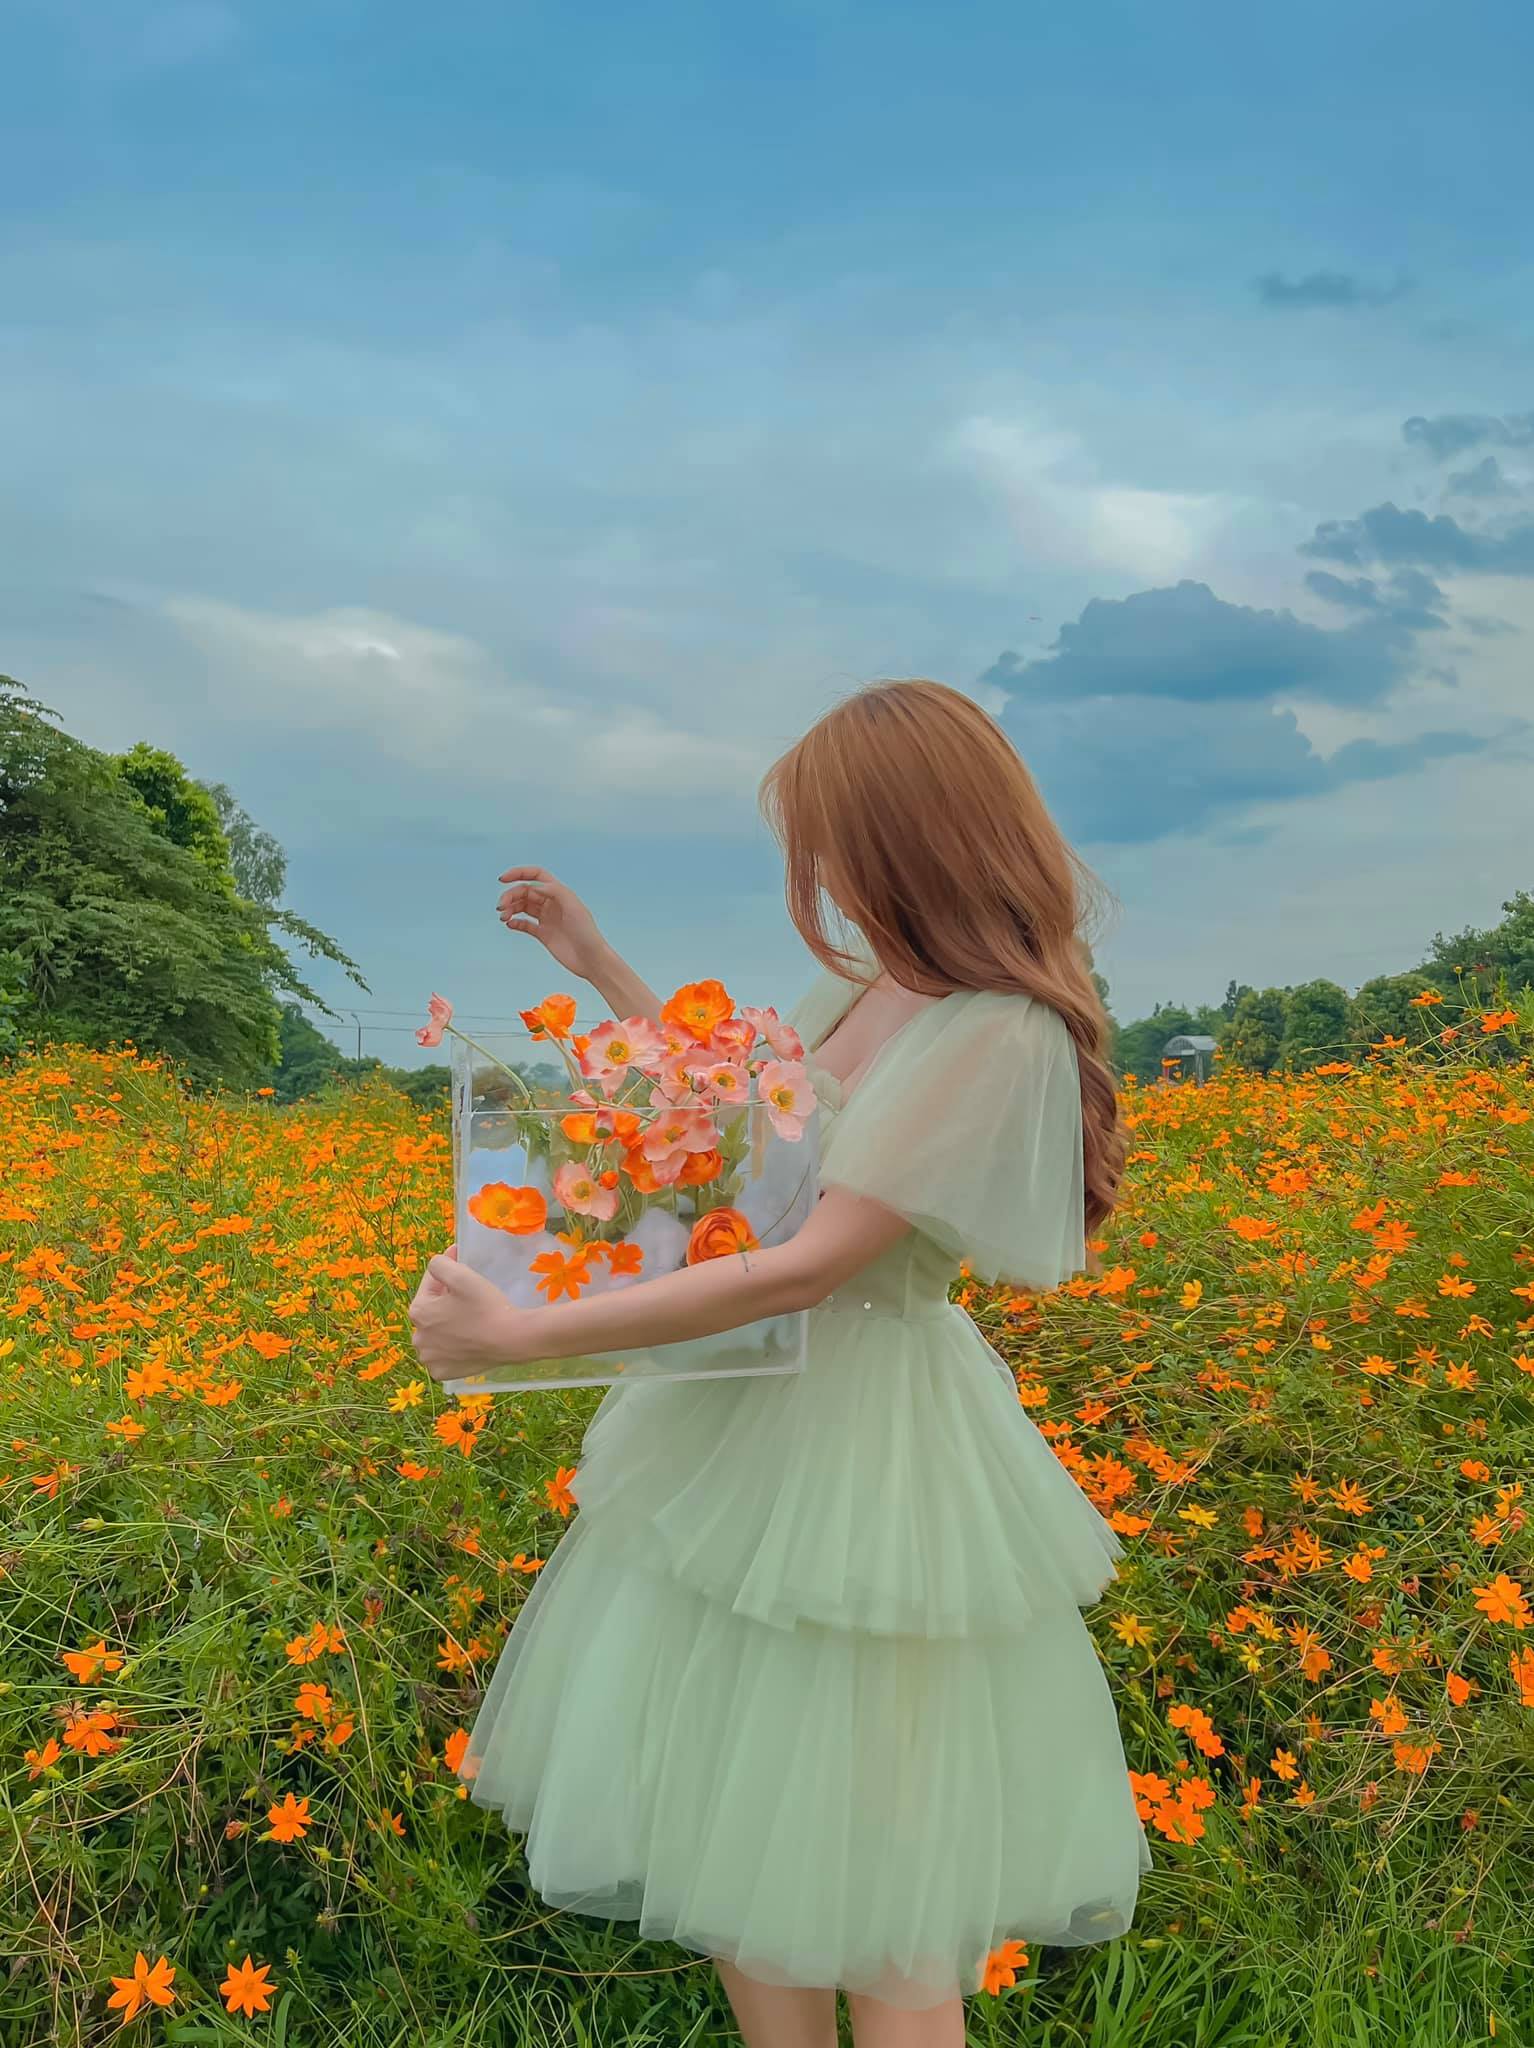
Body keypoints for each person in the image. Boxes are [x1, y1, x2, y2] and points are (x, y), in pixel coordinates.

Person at [408, 678, 1152, 2048]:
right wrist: (602, 969)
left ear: (906, 835)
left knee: (881, 1869)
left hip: (870, 1443)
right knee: (734, 1826)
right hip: (753, 1420)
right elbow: (751, 1143)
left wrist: (513, 1341)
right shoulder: (868, 985)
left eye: (823, 839)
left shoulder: (996, 1029)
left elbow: (812, 1258)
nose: (810, 874)